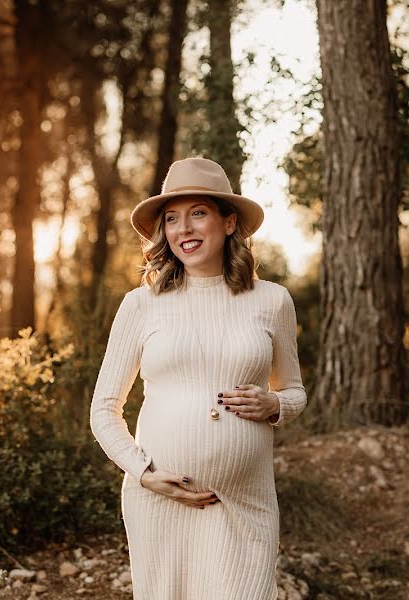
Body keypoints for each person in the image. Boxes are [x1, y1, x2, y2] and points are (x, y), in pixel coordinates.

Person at [89, 157, 308, 599]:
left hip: (245, 505)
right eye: (171, 218)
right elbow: (103, 409)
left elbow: (295, 390)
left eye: (197, 214)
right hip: (159, 501)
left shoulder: (272, 301)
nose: (183, 229)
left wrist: (276, 405)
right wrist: (143, 472)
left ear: (229, 223)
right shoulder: (141, 305)